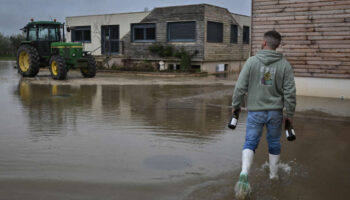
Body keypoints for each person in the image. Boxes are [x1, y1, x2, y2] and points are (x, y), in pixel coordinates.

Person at [232, 30, 296, 197]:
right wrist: (289, 114)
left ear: (264, 43)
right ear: (277, 45)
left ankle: (244, 174)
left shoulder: (252, 62)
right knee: (274, 142)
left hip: (255, 112)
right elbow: (290, 93)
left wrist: (235, 106)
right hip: (275, 113)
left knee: (250, 142)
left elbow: (239, 87)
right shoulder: (285, 65)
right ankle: (274, 176)